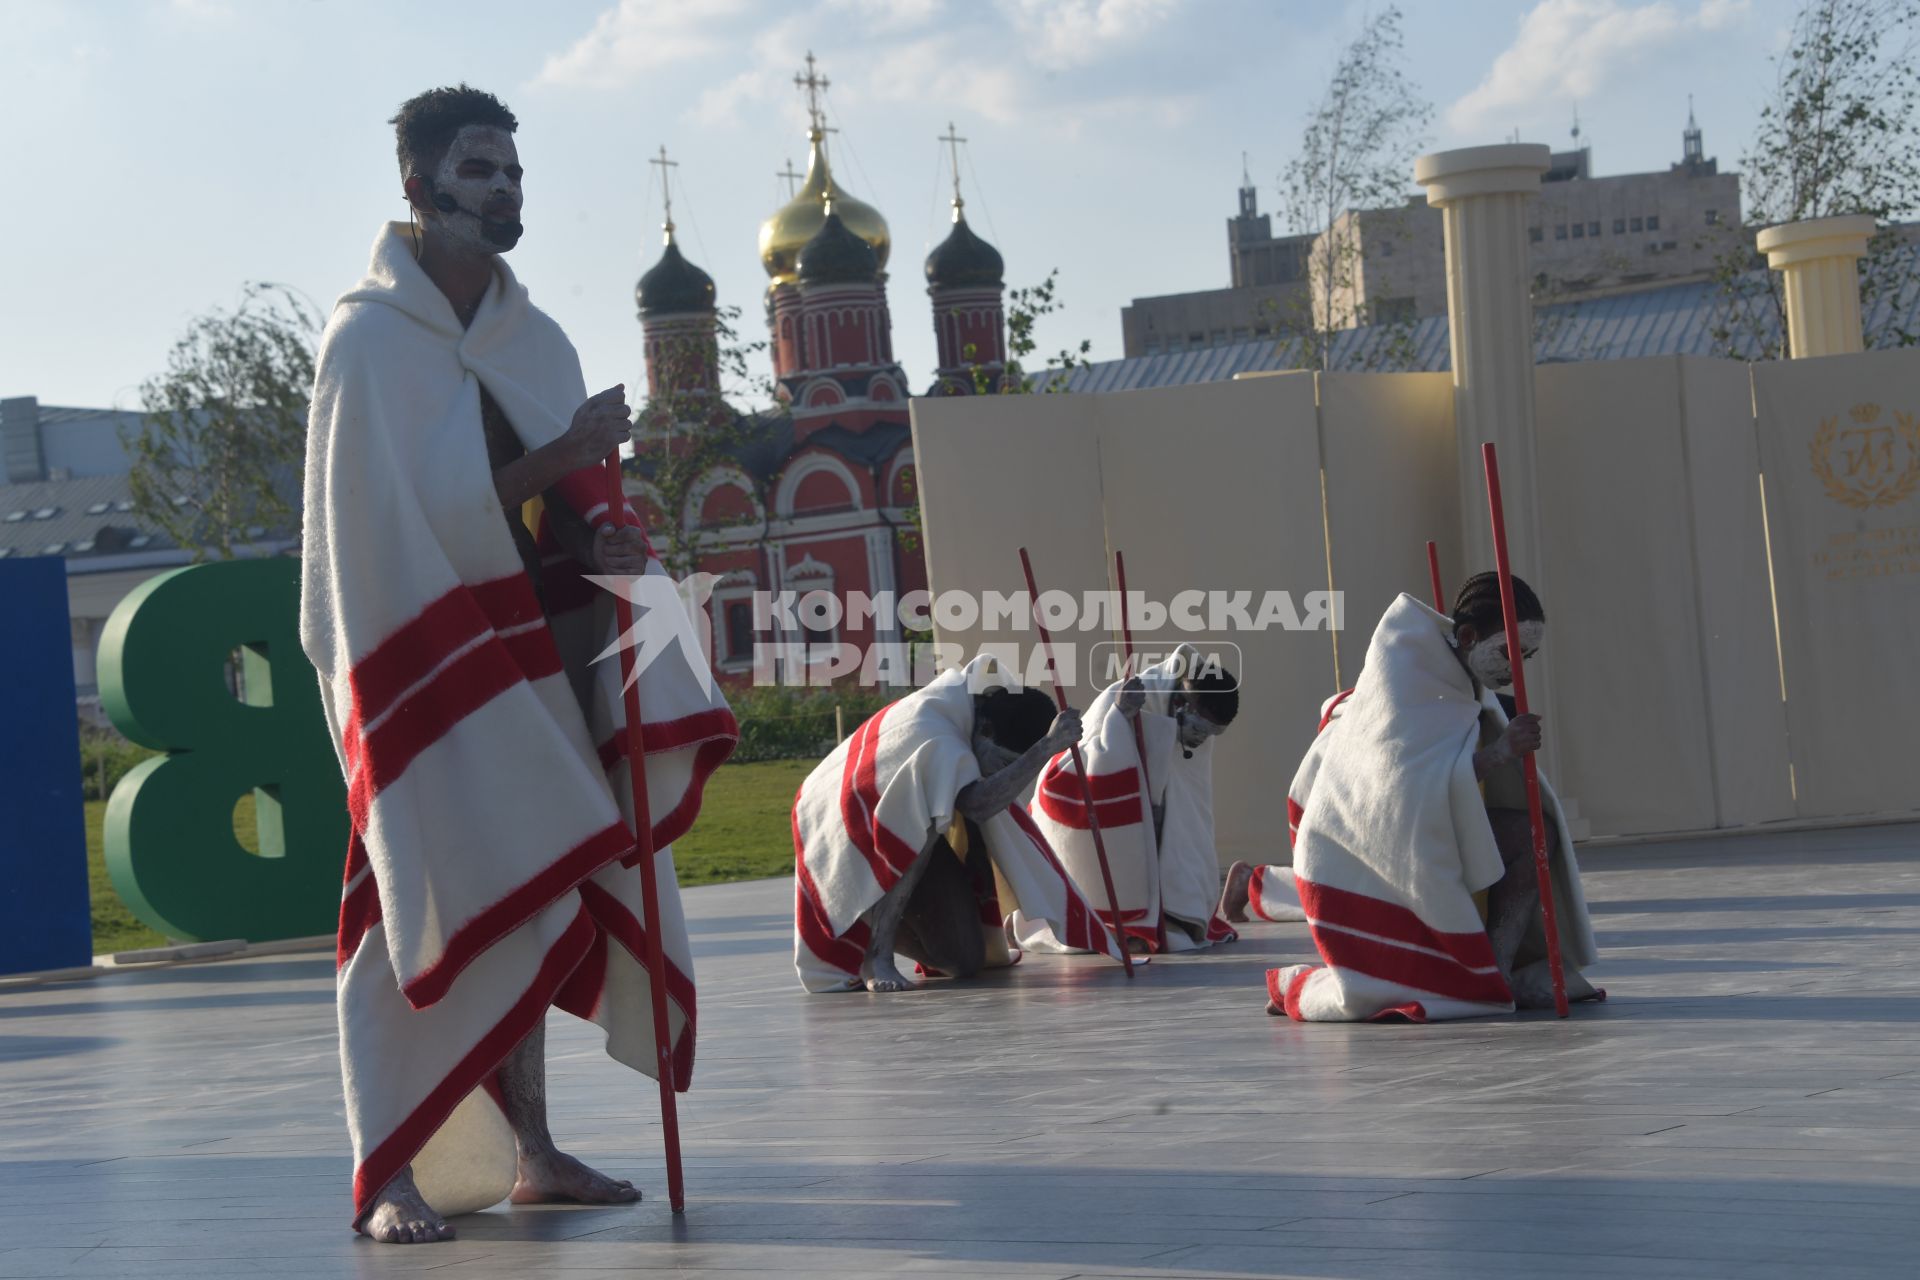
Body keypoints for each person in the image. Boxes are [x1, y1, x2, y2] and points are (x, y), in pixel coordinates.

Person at [301, 85, 736, 1244]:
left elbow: (560, 509)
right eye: (481, 171)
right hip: (427, 668)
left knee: (535, 894)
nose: (505, 191)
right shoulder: (367, 342)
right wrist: (560, 454)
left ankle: (534, 1149)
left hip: (537, 658)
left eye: (514, 172)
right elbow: (394, 535)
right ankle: (387, 1166)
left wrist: (599, 535)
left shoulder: (531, 339)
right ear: (419, 185)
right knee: (419, 904)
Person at [1254, 574, 1602, 1021]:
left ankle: (1494, 971)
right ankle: (1464, 978)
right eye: (1507, 653)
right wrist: (1500, 752)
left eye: (1526, 657)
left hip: (1437, 831)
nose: (1515, 670)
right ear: (1469, 636)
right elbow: (1400, 792)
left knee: (1534, 834)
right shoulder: (1407, 680)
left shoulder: (1466, 680)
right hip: (1371, 859)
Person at [793, 656, 1131, 993]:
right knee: (920, 827)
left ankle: (875, 929)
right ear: (985, 731)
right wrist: (1044, 749)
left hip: (890, 813)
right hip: (839, 819)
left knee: (964, 959)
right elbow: (978, 804)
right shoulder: (938, 735)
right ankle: (874, 953)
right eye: (1000, 762)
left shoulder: (965, 711)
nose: (999, 772)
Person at [1024, 644, 1241, 953]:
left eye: (1211, 734)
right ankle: (1124, 918)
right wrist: (1120, 720)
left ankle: (1165, 910)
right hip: (1098, 815)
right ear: (1180, 702)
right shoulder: (1126, 697)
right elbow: (1085, 762)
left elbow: (1192, 808)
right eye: (1199, 729)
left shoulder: (1192, 728)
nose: (1200, 739)